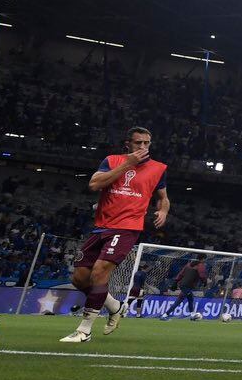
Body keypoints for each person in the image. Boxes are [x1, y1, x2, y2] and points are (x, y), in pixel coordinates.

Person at [61, 127, 171, 344]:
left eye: (146, 143)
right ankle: (115, 306)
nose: (142, 147)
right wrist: (127, 164)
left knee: (100, 271)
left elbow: (163, 197)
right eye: (138, 143)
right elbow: (94, 184)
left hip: (128, 227)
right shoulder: (112, 160)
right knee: (79, 278)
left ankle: (84, 330)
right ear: (127, 144)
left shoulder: (158, 168)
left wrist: (163, 210)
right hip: (102, 226)